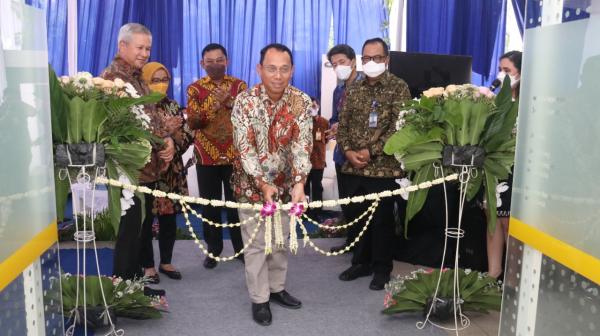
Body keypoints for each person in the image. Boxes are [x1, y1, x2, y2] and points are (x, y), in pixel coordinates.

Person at [231, 43, 312, 326]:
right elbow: (245, 149)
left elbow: (303, 147)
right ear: (259, 69)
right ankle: (259, 299)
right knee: (255, 245)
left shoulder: (301, 101)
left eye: (284, 69)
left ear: (292, 70)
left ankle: (276, 289)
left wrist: (300, 182)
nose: (278, 75)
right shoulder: (245, 102)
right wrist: (263, 184)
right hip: (251, 186)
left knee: (280, 241)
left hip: (287, 186)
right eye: (271, 68)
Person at [101, 23, 178, 297]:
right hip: (127, 172)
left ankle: (134, 286)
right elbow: (123, 126)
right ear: (123, 46)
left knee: (140, 232)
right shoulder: (112, 80)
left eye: (148, 48)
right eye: (140, 47)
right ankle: (122, 294)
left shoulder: (137, 77)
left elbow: (152, 118)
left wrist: (167, 140)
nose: (145, 53)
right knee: (129, 236)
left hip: (146, 172)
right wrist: (160, 139)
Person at [336, 38, 411, 290]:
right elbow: (342, 124)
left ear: (386, 59)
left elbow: (399, 127)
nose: (371, 63)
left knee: (381, 221)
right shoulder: (354, 88)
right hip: (353, 166)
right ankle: (361, 262)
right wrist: (347, 150)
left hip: (383, 167)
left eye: (376, 58)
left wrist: (371, 151)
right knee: (356, 217)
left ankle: (381, 268)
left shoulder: (399, 87)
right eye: (366, 58)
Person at [187, 43, 247, 269]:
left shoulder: (240, 86)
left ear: (227, 61)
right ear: (202, 64)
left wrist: (229, 102)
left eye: (219, 60)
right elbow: (193, 121)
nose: (215, 65)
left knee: (236, 204)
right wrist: (213, 103)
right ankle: (213, 250)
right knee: (209, 205)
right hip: (206, 156)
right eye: (209, 62)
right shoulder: (195, 89)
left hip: (234, 156)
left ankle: (240, 248)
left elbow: (247, 116)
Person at [140, 62, 194, 282]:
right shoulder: (140, 107)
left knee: (169, 219)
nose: (161, 84)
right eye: (155, 80)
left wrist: (175, 138)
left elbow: (188, 135)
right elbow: (137, 138)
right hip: (146, 172)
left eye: (164, 80)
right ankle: (147, 267)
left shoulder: (172, 106)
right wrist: (165, 133)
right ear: (144, 80)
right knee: (144, 222)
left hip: (171, 173)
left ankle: (166, 262)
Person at [487, 50, 522, 279]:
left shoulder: (528, 101)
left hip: (516, 169)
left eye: (507, 70)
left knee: (510, 224)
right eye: (500, 70)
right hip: (495, 167)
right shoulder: (495, 101)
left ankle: (513, 280)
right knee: (492, 221)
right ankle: (493, 273)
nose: (502, 75)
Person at [325, 44, 363, 253]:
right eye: (334, 64)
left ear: (353, 62)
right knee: (347, 203)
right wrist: (333, 127)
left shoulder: (365, 86)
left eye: (342, 62)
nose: (339, 67)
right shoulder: (338, 90)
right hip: (341, 156)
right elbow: (334, 118)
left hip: (360, 155)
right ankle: (350, 241)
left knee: (360, 204)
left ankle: (362, 246)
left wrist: (347, 126)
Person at [304, 97, 328, 221]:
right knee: (305, 187)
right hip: (304, 162)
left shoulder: (324, 122)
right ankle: (305, 211)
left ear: (318, 107)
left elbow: (327, 139)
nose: (312, 109)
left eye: (314, 106)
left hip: (319, 162)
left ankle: (318, 212)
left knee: (317, 187)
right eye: (309, 106)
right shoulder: (302, 122)